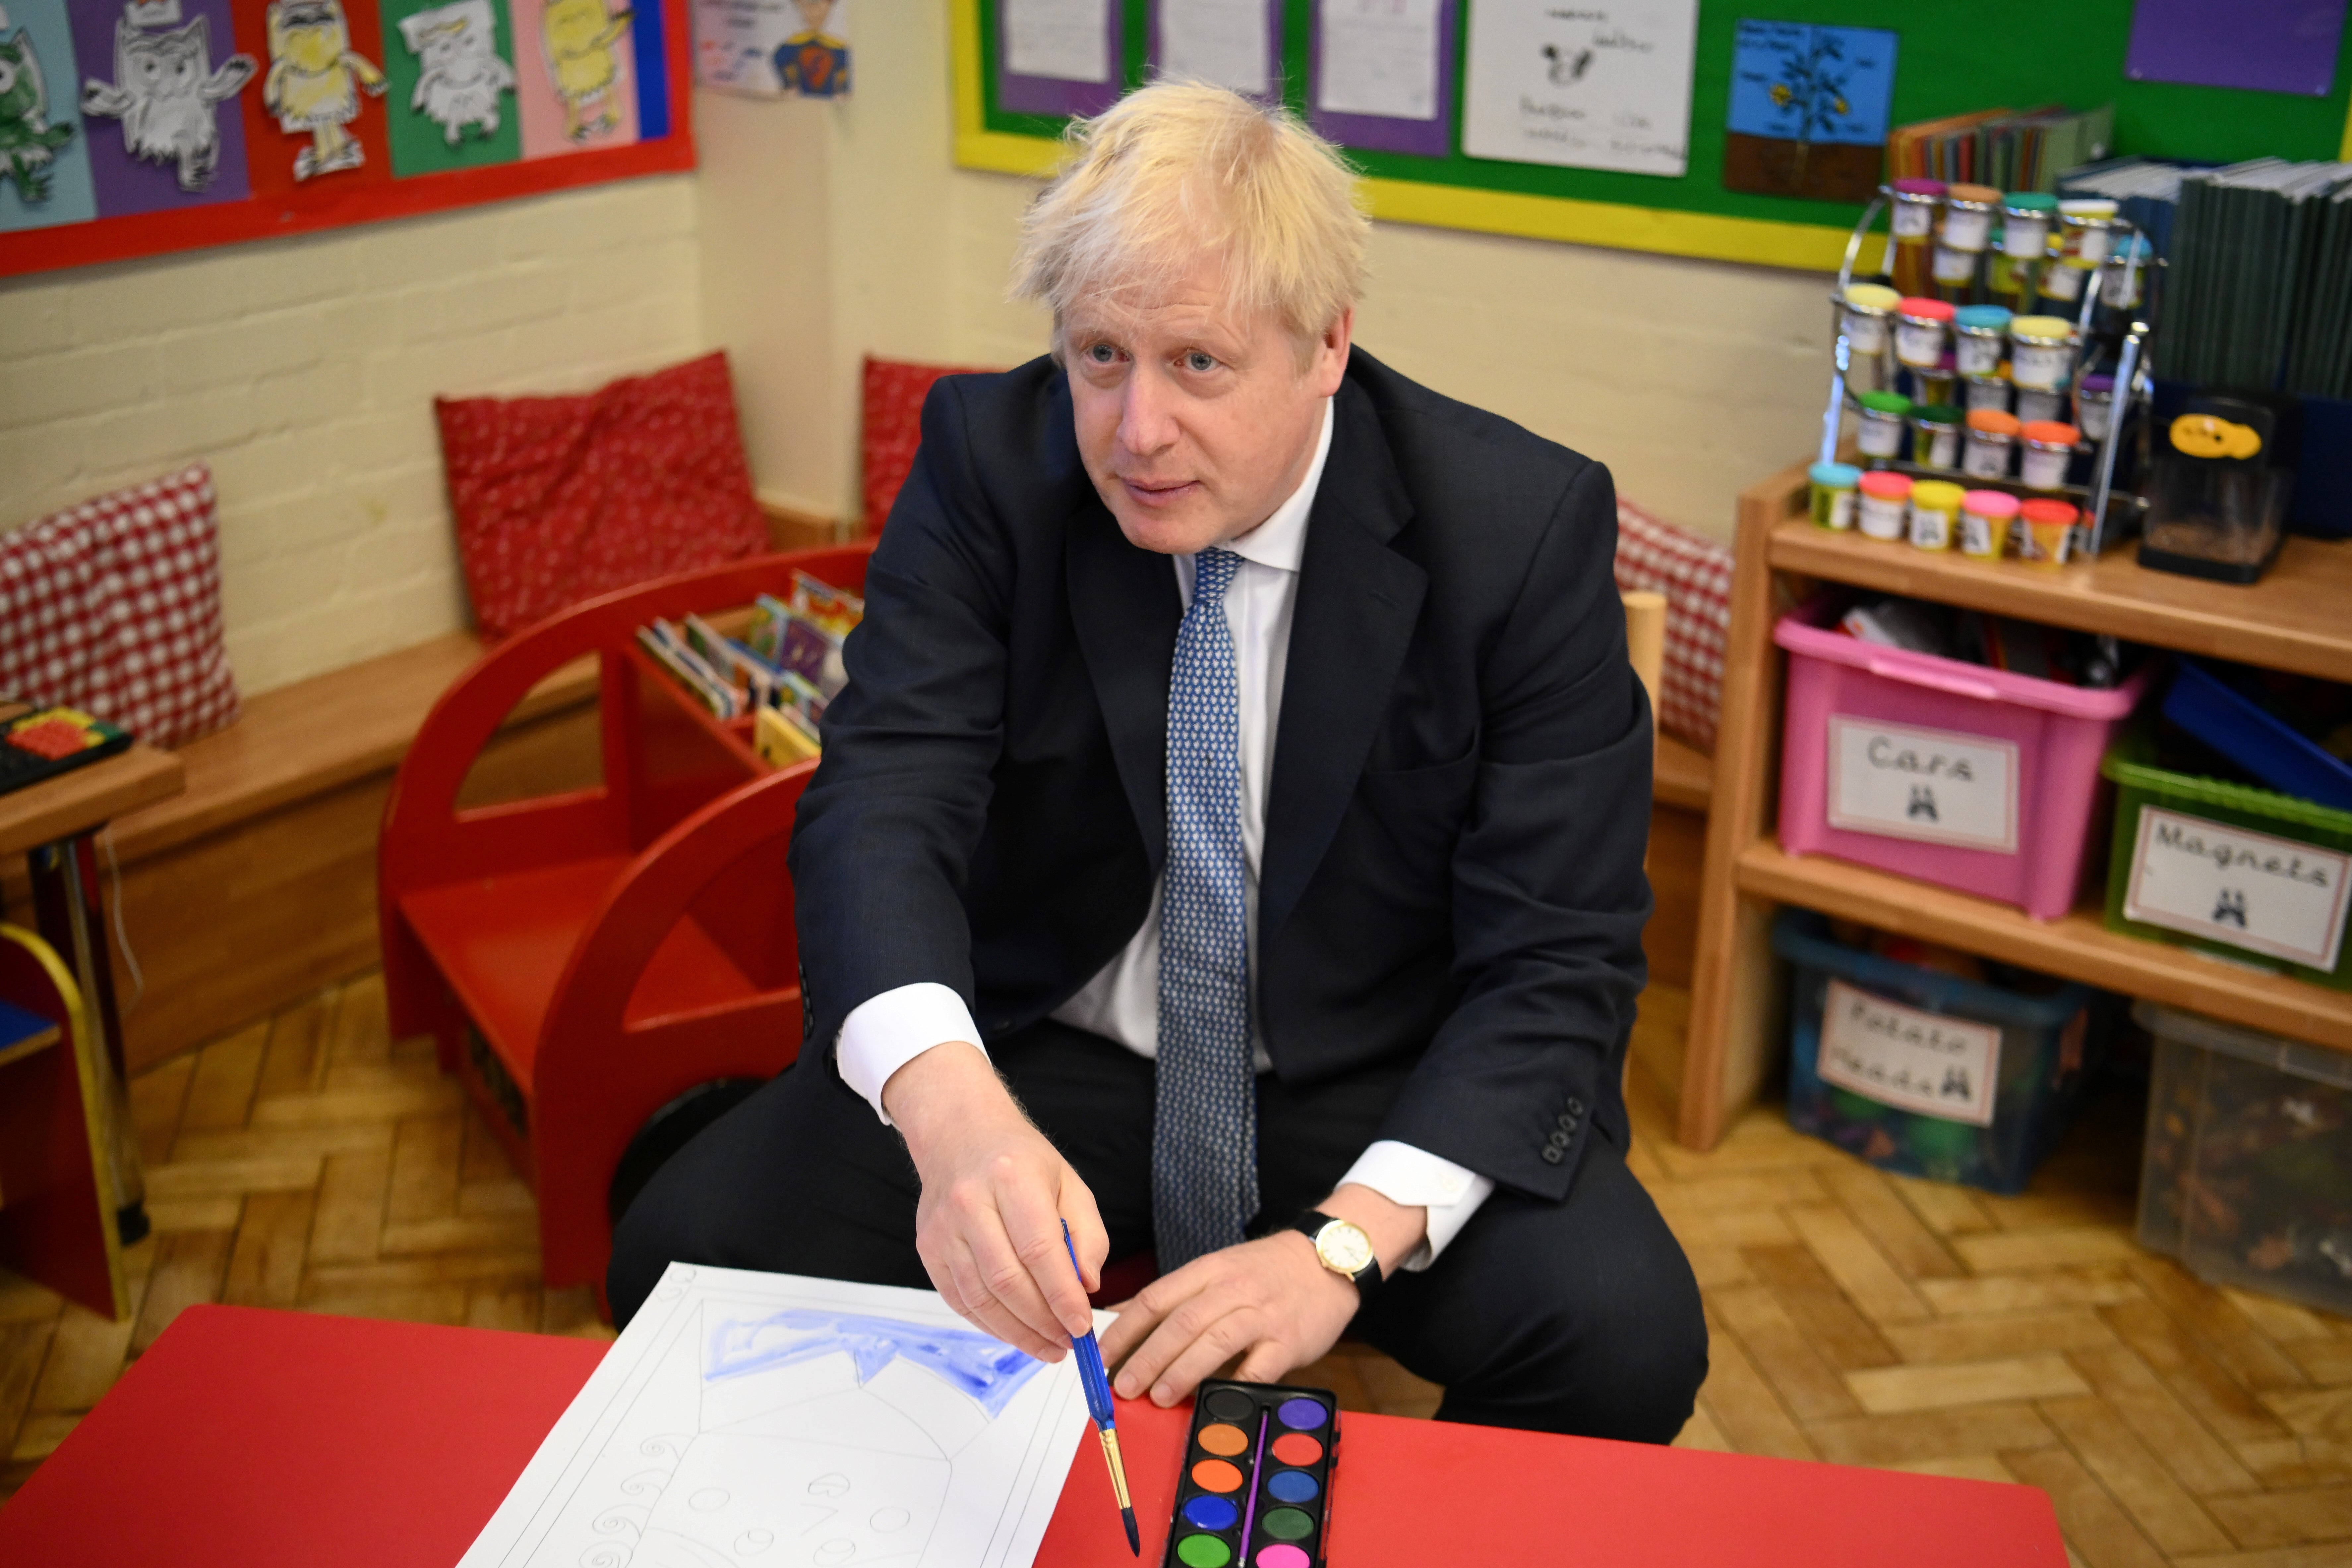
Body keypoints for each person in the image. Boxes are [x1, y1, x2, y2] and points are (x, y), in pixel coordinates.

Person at [609, 81, 1707, 1442]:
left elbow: (1560, 952)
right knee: (683, 1252)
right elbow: (882, 800)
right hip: (1051, 1046)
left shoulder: (1518, 530)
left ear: (1326, 346)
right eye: (1098, 356)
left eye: (1197, 364)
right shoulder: (987, 466)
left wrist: (1343, 1250)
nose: (1135, 433)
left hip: (1366, 1064)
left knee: (1624, 1342)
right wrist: (955, 1123)